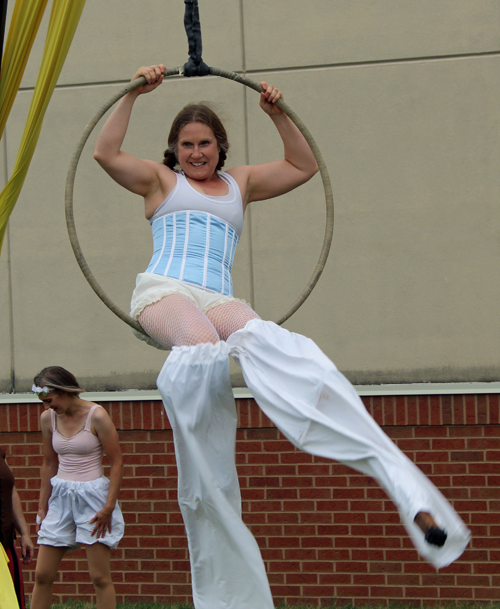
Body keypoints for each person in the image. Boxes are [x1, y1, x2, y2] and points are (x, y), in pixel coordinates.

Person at [94, 65, 470, 609]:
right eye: (186, 144)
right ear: (174, 149)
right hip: (165, 291)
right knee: (201, 348)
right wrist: (132, 92)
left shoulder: (238, 184)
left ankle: (403, 488)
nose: (196, 153)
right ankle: (213, 507)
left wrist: (277, 114)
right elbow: (106, 153)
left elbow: (304, 164)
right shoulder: (159, 180)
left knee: (279, 347)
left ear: (220, 148)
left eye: (205, 144)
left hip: (219, 296)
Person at [30, 367, 124, 609]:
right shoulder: (47, 418)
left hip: (93, 499)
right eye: (43, 402)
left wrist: (108, 507)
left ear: (63, 391)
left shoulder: (97, 415)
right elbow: (49, 462)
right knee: (42, 575)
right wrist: (42, 507)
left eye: (49, 401)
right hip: (60, 498)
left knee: (99, 577)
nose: (47, 407)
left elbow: (116, 461)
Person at [0, 446, 34, 609]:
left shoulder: (0, 454)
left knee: (12, 602)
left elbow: (11, 491)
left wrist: (25, 533)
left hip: (6, 542)